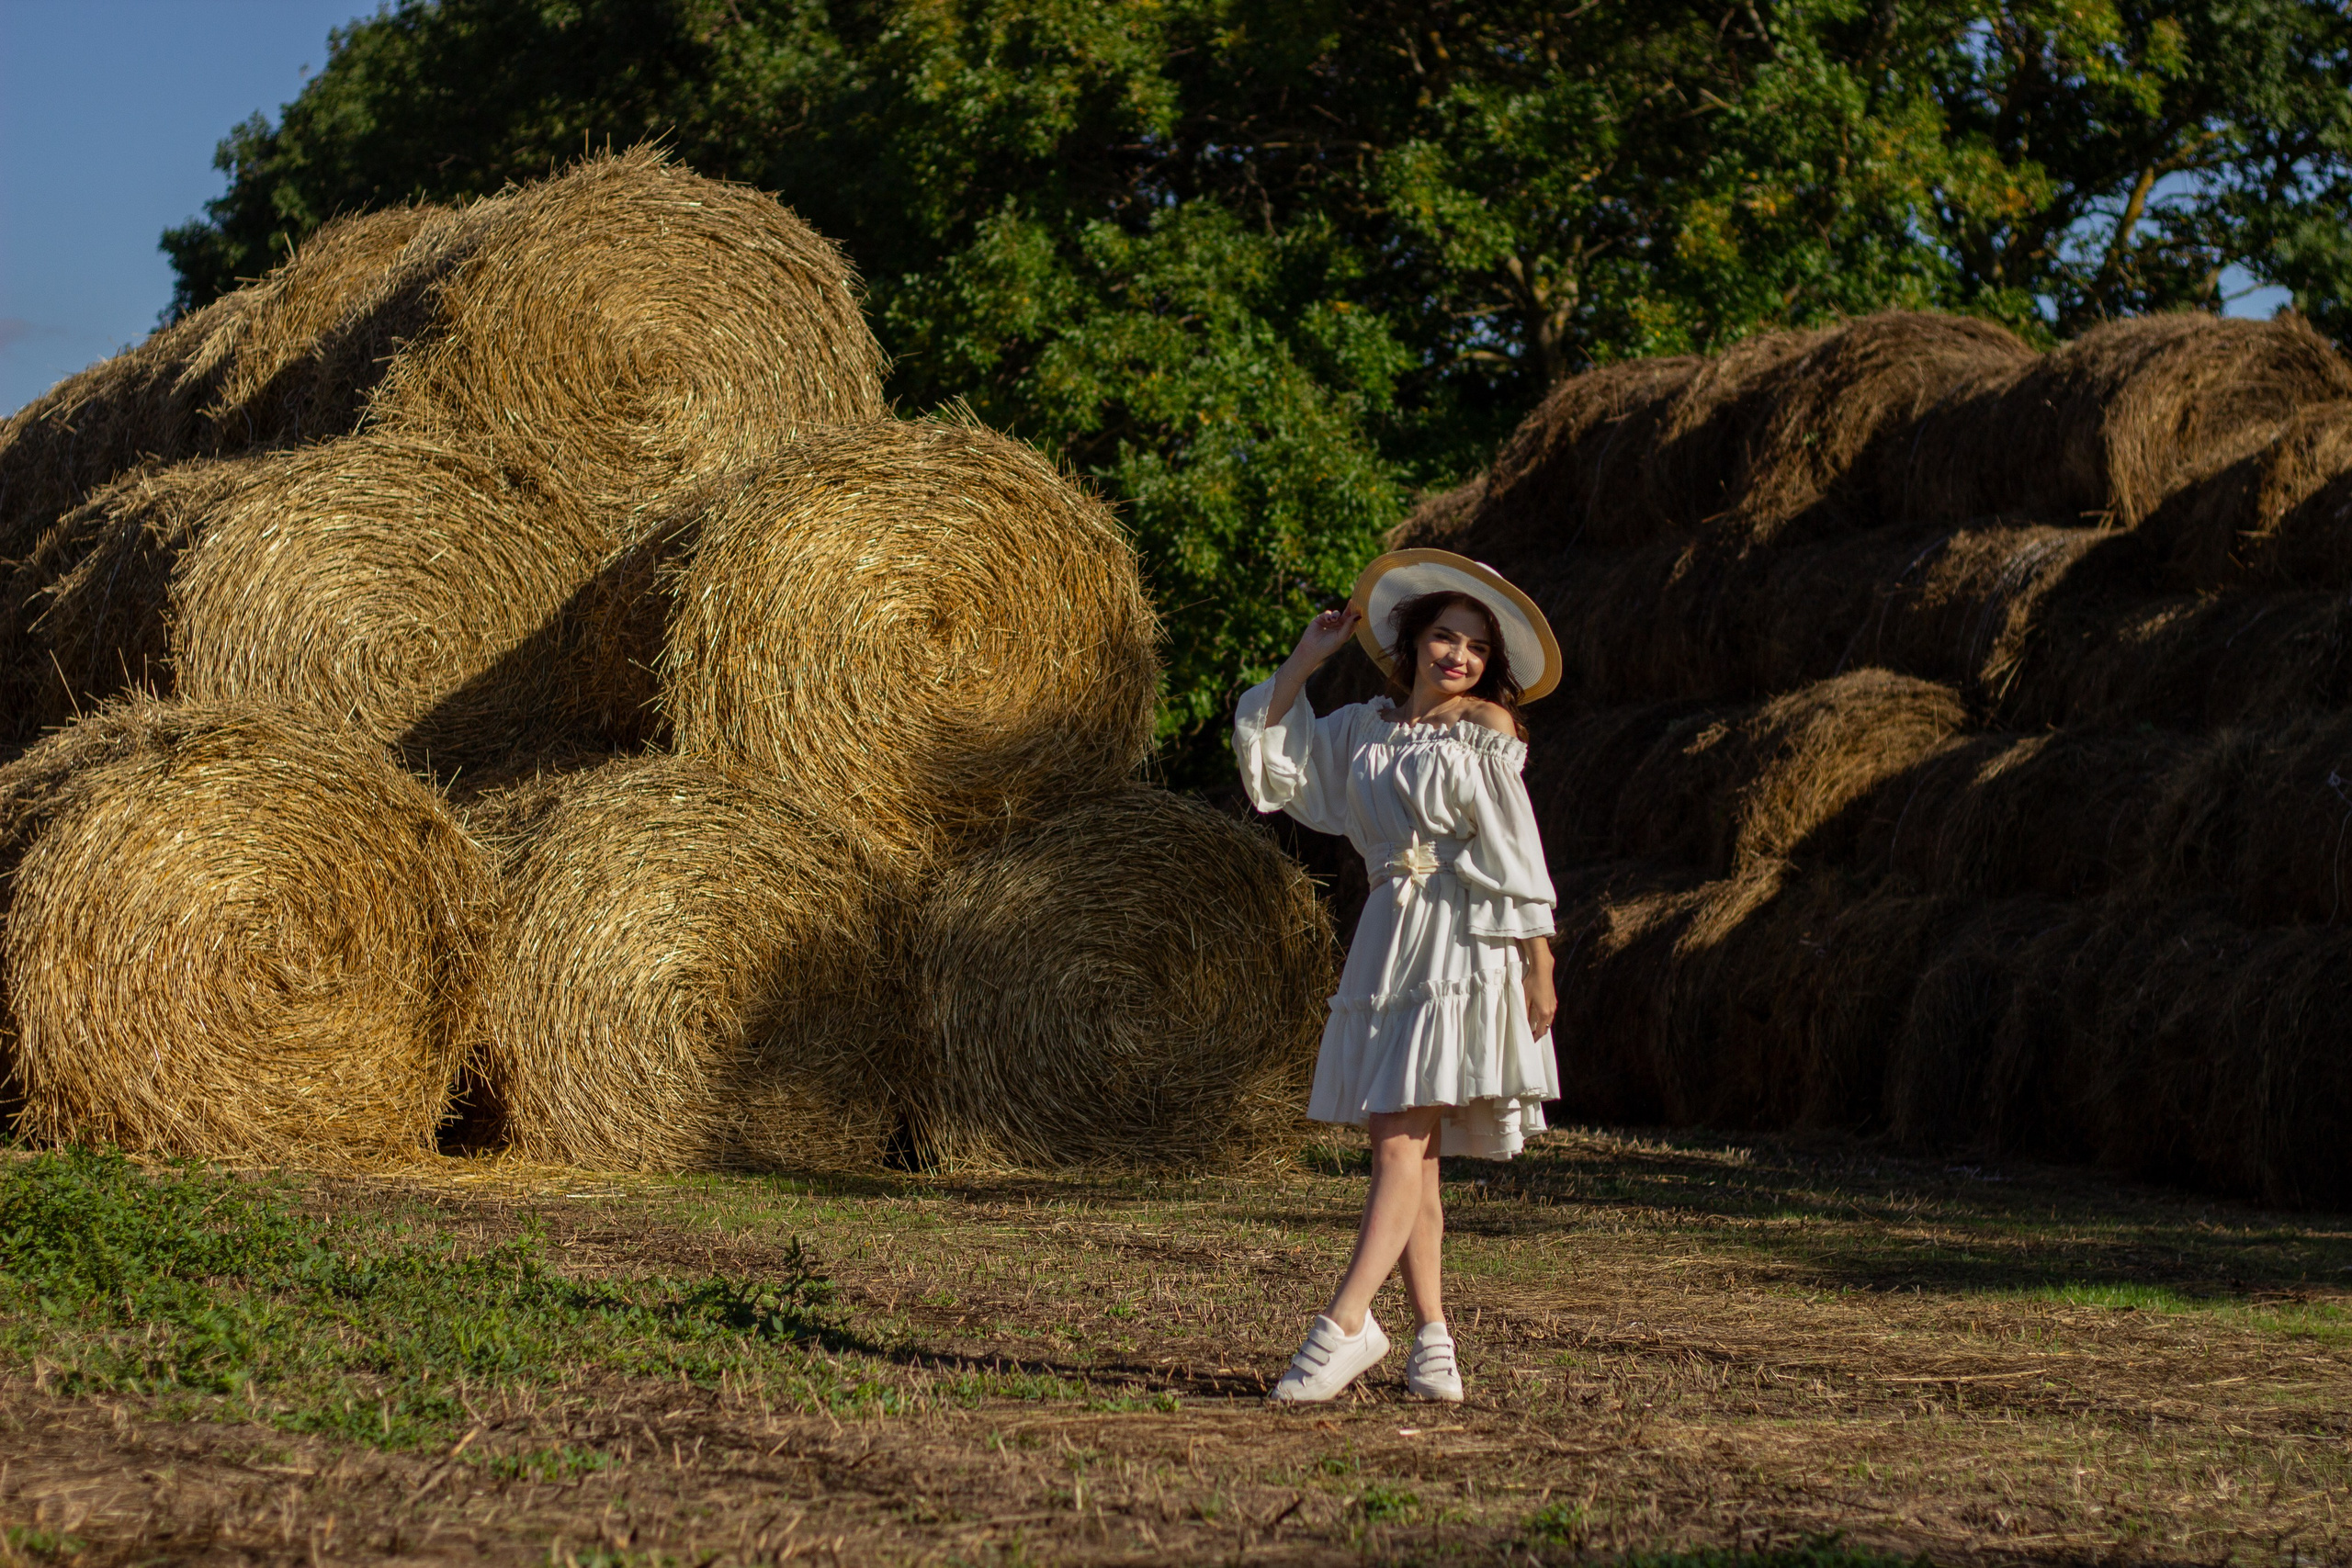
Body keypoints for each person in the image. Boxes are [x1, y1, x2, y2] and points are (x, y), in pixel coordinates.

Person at [1232, 548, 1562, 1404]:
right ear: (1413, 642)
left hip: (1463, 939)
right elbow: (1273, 753)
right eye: (1446, 638)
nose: (1459, 657)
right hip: (1388, 936)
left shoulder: (1485, 730)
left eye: (1477, 649)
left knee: (1397, 1139)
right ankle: (1433, 1340)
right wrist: (1308, 659)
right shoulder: (1363, 728)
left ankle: (1343, 1325)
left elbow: (1514, 851)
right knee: (1416, 1153)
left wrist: (1539, 960)